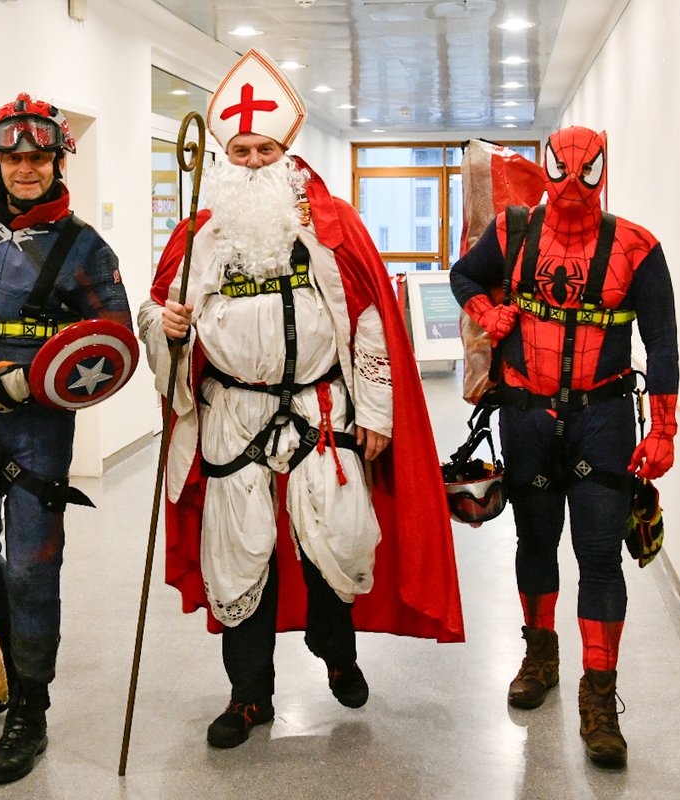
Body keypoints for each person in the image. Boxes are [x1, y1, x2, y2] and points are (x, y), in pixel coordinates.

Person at [138, 49, 463, 750]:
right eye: (242, 150)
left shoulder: (332, 226)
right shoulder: (198, 239)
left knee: (335, 545)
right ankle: (248, 695)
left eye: (265, 149)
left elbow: (370, 319)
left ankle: (334, 646)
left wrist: (375, 410)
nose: (253, 161)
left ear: (287, 152)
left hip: (322, 414)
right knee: (241, 555)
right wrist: (161, 326)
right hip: (233, 417)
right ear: (225, 158)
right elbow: (163, 320)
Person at [0, 92, 132, 785]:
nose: (26, 168)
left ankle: (28, 711)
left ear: (57, 160)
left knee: (32, 570)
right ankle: (2, 662)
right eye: (13, 157)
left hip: (38, 432)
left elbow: (114, 343)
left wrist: (35, 380)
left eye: (38, 156)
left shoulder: (86, 249)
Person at [450, 125, 679, 768]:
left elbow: (661, 342)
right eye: (563, 171)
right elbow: (463, 274)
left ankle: (600, 697)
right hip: (526, 414)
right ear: (547, 169)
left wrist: (663, 428)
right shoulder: (513, 232)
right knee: (535, 541)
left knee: (601, 556)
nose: (574, 185)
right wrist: (488, 316)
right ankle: (539, 656)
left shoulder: (637, 248)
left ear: (603, 170)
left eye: (588, 172)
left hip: (604, 418)